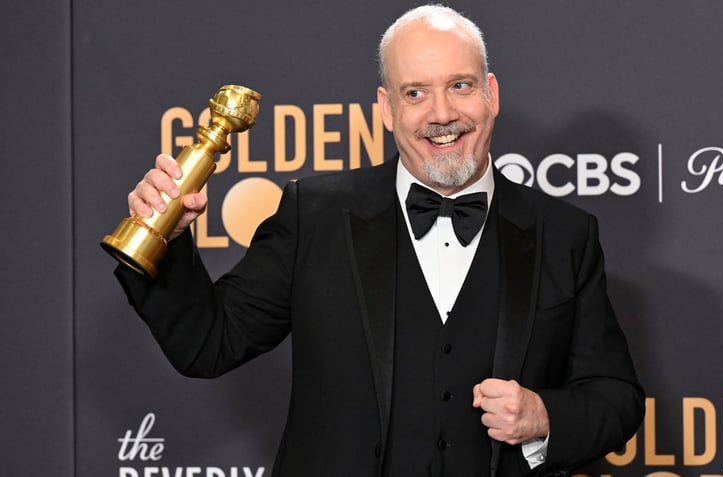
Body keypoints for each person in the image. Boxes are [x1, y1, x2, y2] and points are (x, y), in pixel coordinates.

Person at [116, 5, 644, 477]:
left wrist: (543, 416)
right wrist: (166, 238)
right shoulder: (314, 215)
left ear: (491, 95)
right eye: (415, 92)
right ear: (387, 109)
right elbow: (210, 344)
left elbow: (617, 399)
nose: (441, 113)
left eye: (460, 85)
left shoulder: (564, 234)